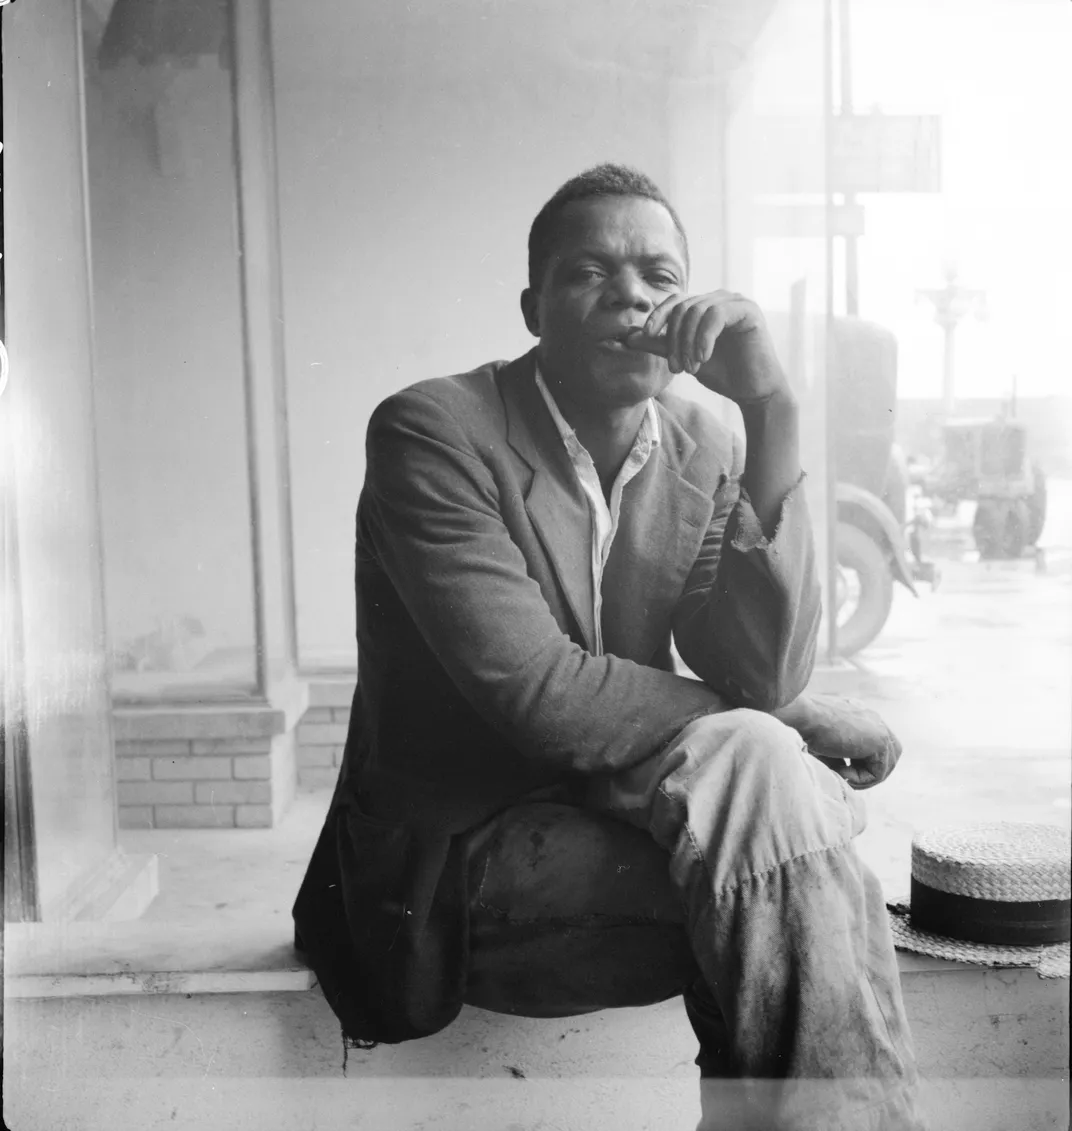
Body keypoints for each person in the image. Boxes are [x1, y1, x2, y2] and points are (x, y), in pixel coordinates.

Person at [293, 164, 923, 1130]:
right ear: (533, 307)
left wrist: (773, 411)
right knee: (800, 865)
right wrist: (777, 728)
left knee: (771, 809)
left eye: (659, 276)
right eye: (591, 270)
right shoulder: (434, 431)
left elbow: (761, 672)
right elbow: (541, 695)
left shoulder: (703, 437)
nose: (632, 294)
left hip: (632, 805)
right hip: (461, 856)